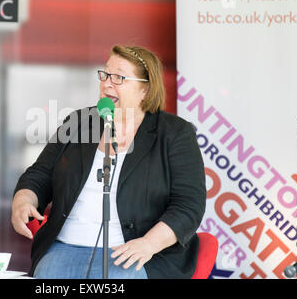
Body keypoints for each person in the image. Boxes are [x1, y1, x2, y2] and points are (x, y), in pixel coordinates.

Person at [11, 45, 206, 279]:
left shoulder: (175, 133)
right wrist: (24, 200)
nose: (106, 83)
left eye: (119, 77)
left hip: (133, 252)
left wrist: (148, 244)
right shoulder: (79, 122)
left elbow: (189, 205)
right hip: (65, 247)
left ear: (145, 89)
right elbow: (40, 174)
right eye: (104, 74)